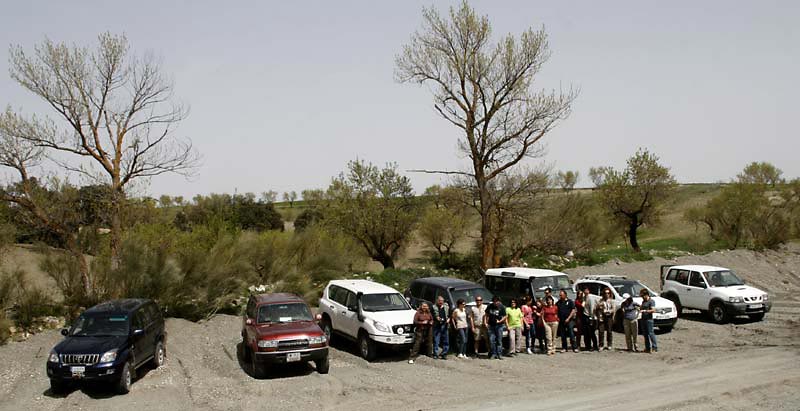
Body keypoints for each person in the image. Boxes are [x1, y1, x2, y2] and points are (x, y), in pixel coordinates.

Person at [581, 287, 600, 351]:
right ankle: (588, 346)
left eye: (586, 290)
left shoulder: (590, 298)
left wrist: (591, 319)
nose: (585, 291)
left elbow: (592, 309)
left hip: (590, 317)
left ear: (588, 291)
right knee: (586, 333)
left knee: (591, 332)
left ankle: (595, 346)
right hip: (585, 316)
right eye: (584, 290)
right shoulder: (584, 297)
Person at [639, 289, 658, 353]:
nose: (642, 297)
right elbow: (641, 308)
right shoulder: (643, 301)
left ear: (646, 295)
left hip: (649, 320)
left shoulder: (651, 301)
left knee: (651, 333)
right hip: (643, 319)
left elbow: (653, 310)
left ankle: (654, 347)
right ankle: (647, 348)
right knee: (645, 334)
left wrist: (645, 311)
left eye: (643, 296)